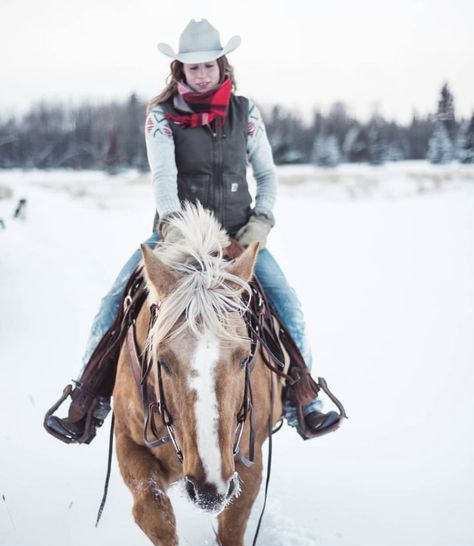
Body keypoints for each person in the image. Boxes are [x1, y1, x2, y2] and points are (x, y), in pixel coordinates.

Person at [45, 18, 342, 445]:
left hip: (242, 240)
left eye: (209, 66)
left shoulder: (246, 112)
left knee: (288, 306)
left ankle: (303, 400)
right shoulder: (161, 117)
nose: (201, 74)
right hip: (176, 239)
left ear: (223, 66)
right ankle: (86, 401)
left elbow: (268, 177)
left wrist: (255, 233)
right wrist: (179, 230)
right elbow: (164, 182)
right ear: (179, 71)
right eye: (192, 67)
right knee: (114, 302)